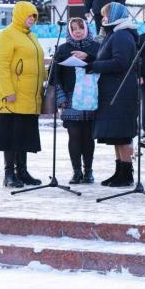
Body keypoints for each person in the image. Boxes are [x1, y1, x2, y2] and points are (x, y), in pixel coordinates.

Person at [0, 1, 45, 188]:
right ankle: (9, 174)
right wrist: (8, 91)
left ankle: (22, 172)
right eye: (29, 16)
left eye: (34, 17)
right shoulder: (7, 35)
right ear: (20, 15)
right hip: (12, 96)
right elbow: (1, 66)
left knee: (23, 135)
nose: (32, 20)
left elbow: (36, 65)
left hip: (29, 96)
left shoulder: (32, 37)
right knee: (10, 136)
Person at [88, 2, 138, 187]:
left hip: (121, 92)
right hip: (114, 90)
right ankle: (119, 171)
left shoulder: (122, 35)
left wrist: (94, 66)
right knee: (117, 134)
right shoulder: (115, 34)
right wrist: (91, 60)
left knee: (123, 134)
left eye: (106, 15)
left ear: (116, 15)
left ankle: (126, 173)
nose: (103, 18)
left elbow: (120, 62)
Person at [52, 18, 100, 184]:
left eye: (80, 28)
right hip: (71, 97)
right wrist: (60, 98)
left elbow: (102, 65)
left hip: (91, 97)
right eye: (74, 28)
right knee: (74, 135)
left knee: (88, 136)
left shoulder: (95, 47)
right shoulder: (63, 49)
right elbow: (55, 76)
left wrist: (88, 57)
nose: (78, 31)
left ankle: (89, 171)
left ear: (86, 28)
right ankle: (76, 172)